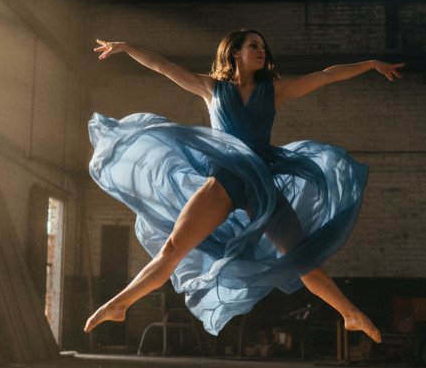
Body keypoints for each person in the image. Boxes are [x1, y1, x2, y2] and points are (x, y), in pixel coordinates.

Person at [84, 29, 404, 344]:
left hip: (260, 186)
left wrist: (371, 64)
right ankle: (120, 304)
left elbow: (326, 75)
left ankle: (349, 313)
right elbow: (162, 65)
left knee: (302, 259)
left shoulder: (275, 91)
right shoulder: (211, 89)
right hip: (224, 179)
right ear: (235, 52)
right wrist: (126, 47)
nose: (262, 50)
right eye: (254, 45)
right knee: (172, 250)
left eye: (264, 46)